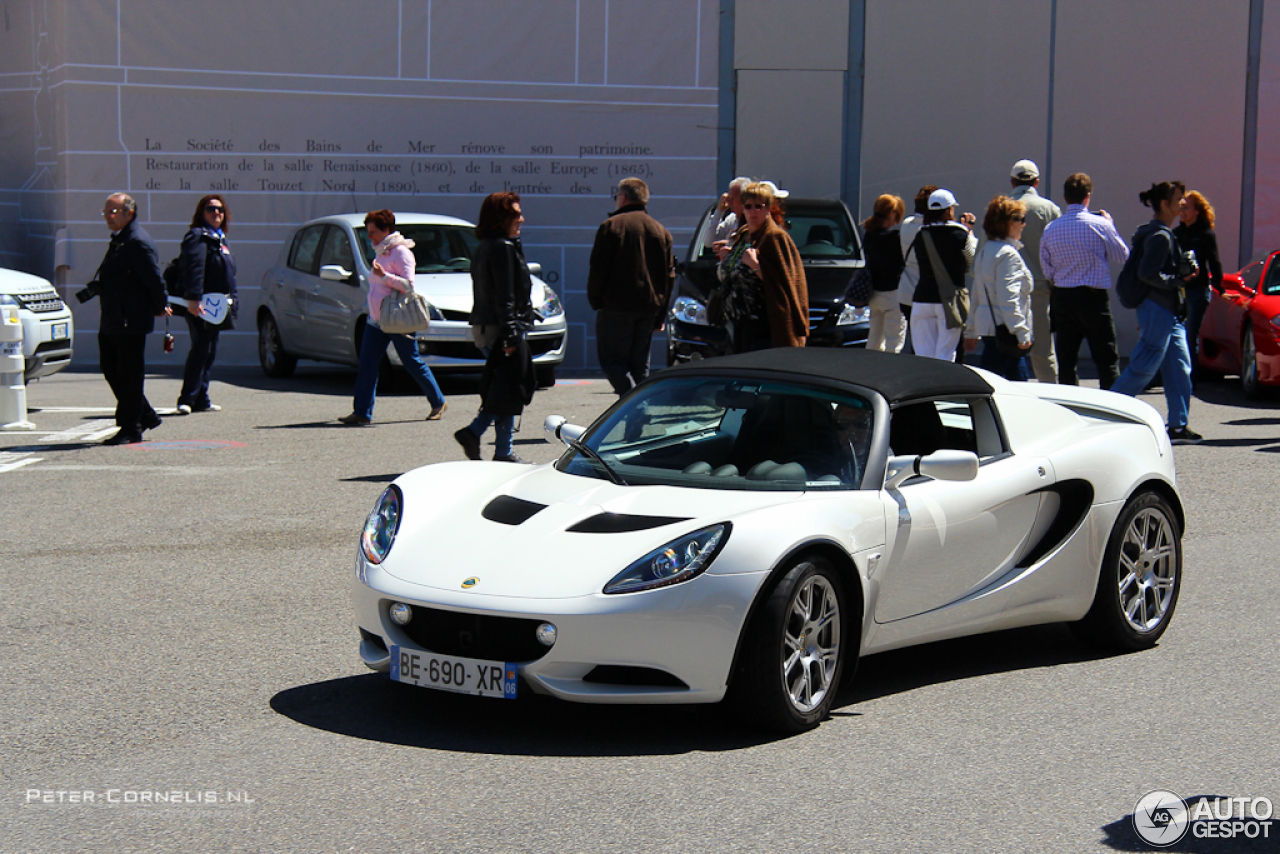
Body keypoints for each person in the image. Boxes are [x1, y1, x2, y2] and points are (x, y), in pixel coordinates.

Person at [1110, 181, 1202, 445]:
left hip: (1168, 312)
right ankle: (1106, 413)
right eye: (1179, 199)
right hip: (1158, 307)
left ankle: (1178, 426)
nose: (1183, 202)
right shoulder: (1160, 236)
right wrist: (1177, 280)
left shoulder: (1162, 233)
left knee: (1179, 367)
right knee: (1144, 366)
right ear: (1165, 204)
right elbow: (1147, 273)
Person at [338, 209, 446, 425]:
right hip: (377, 320)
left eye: (373, 232)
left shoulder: (401, 252)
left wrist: (383, 276)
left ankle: (438, 401)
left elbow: (408, 286)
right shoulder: (382, 250)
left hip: (398, 318)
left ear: (386, 230)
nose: (369, 237)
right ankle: (361, 412)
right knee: (367, 363)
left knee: (411, 360)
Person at [454, 192, 537, 463]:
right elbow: (504, 294)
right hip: (500, 327)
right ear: (498, 219)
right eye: (515, 214)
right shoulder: (501, 247)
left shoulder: (492, 245)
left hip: (492, 324)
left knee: (506, 387)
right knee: (509, 387)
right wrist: (511, 332)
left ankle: (502, 449)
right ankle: (479, 433)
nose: (521, 218)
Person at [87, 193, 169, 445]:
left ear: (129, 213)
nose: (108, 217)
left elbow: (154, 278)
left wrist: (160, 304)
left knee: (129, 373)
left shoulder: (136, 241)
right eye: (106, 212)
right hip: (114, 316)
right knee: (111, 368)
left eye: (113, 212)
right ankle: (145, 414)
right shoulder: (121, 240)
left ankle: (130, 427)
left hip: (129, 319)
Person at [587, 177, 676, 395]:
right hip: (647, 308)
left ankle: (633, 401)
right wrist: (660, 313)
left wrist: (597, 300)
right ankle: (639, 411)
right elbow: (669, 276)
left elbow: (598, 268)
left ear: (623, 198)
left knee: (612, 362)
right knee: (639, 366)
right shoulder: (660, 231)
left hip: (615, 306)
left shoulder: (611, 226)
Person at [1039, 173, 1129, 389]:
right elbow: (1123, 256)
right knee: (1106, 358)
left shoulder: (1051, 228)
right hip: (1093, 297)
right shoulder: (1100, 224)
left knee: (1067, 360)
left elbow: (1047, 268)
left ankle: (1070, 405)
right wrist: (1110, 225)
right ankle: (1112, 405)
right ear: (1088, 196)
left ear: (1064, 197)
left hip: (1063, 296)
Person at [174, 194, 237, 415]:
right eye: (211, 209)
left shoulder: (219, 239)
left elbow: (229, 273)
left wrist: (233, 300)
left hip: (217, 306)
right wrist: (194, 298)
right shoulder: (197, 237)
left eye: (220, 210)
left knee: (209, 351)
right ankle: (187, 399)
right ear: (202, 213)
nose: (216, 213)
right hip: (201, 304)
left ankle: (202, 398)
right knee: (200, 349)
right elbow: (195, 268)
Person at [732, 180, 809, 349]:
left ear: (768, 209)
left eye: (759, 206)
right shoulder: (743, 235)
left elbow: (786, 283)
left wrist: (756, 266)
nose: (753, 211)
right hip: (738, 322)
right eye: (749, 206)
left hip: (765, 322)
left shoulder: (774, 237)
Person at [966, 196, 1033, 380]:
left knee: (995, 384)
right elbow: (1008, 297)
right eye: (1021, 219)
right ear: (1009, 222)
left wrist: (971, 330)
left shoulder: (986, 250)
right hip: (1006, 333)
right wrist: (1021, 332)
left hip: (991, 330)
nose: (1023, 225)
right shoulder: (1008, 255)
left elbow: (977, 294)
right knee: (1018, 389)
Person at [906, 189, 977, 361]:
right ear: (948, 210)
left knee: (923, 356)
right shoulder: (960, 234)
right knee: (945, 355)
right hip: (949, 301)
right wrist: (970, 232)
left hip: (922, 298)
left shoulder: (921, 234)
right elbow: (970, 261)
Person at [1007, 159, 1062, 382]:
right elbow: (1059, 250)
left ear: (1012, 182)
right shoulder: (1049, 209)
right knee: (1043, 353)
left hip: (1007, 287)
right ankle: (1053, 400)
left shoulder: (1002, 208)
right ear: (1036, 182)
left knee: (1008, 351)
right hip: (1040, 289)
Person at [1173, 190, 1222, 372]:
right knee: (1173, 333)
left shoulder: (1205, 234)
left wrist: (1220, 288)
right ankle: (1168, 373)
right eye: (1181, 208)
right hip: (1176, 289)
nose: (1182, 212)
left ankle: (1190, 376)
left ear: (1197, 211)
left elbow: (1214, 262)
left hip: (1197, 290)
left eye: (1186, 208)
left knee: (1189, 334)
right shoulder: (1175, 234)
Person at [861, 194, 907, 352]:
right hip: (893, 294)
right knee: (894, 342)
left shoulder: (869, 235)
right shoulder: (896, 238)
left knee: (874, 339)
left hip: (874, 294)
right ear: (893, 213)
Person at [897, 184, 939, 349]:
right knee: (929, 344)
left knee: (918, 340)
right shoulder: (931, 230)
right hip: (926, 294)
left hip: (906, 292)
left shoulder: (906, 224)